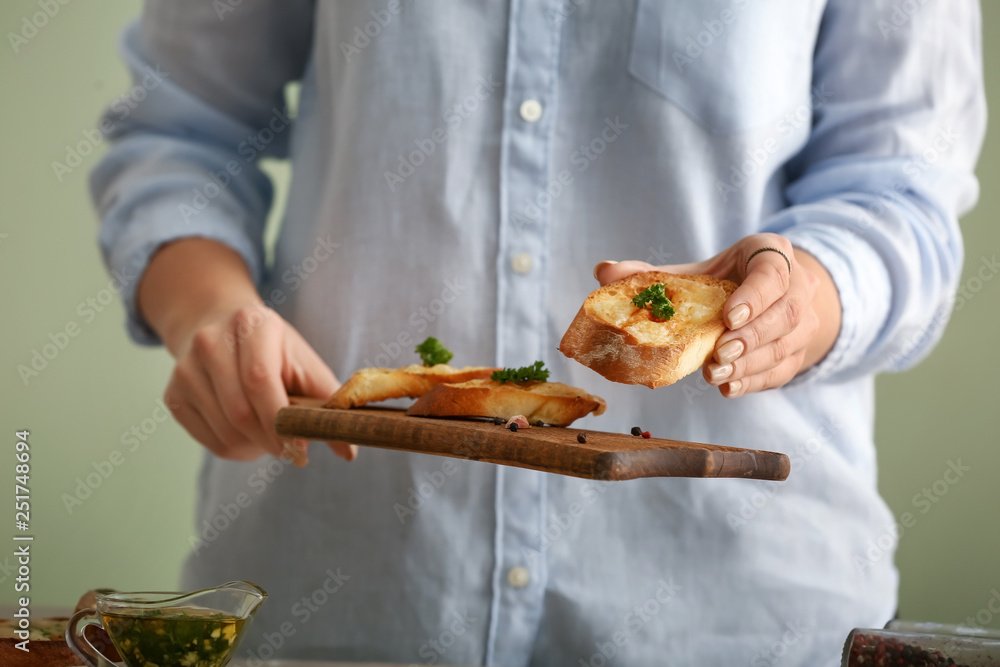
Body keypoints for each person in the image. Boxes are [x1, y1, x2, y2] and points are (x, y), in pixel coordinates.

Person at [90, 1, 985, 664]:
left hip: (736, 616)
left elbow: (902, 188)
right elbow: (179, 128)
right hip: (341, 596)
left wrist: (806, 299)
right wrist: (206, 311)